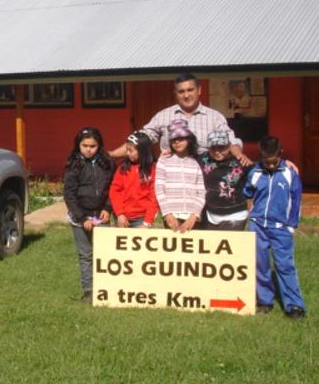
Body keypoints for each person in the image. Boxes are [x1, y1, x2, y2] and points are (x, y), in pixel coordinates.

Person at [111, 73, 251, 165]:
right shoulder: (163, 116)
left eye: (190, 90)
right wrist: (111, 154)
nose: (186, 95)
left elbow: (230, 140)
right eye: (181, 91)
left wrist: (239, 156)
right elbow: (139, 140)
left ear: (199, 90)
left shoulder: (214, 117)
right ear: (175, 94)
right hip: (171, 176)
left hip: (205, 176)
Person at [243, 135, 307, 320]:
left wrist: (291, 226)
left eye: (273, 162)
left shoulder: (289, 173)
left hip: (281, 228)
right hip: (258, 226)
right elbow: (248, 192)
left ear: (281, 154)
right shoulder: (255, 172)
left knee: (285, 266)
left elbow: (296, 200)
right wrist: (251, 212)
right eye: (266, 162)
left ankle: (294, 305)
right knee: (260, 265)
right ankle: (265, 300)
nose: (270, 166)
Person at [63, 126, 114, 303]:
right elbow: (69, 194)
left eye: (92, 146)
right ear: (78, 145)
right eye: (84, 145)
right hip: (80, 218)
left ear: (99, 145)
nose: (88, 149)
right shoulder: (74, 165)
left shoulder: (107, 163)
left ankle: (107, 289)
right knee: (86, 256)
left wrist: (108, 208)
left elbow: (112, 189)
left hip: (102, 215)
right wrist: (82, 217)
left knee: (105, 254)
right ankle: (89, 291)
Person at [154, 119, 206, 233]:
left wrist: (194, 215)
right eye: (173, 140)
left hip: (192, 218)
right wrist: (168, 214)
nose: (177, 142)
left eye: (181, 138)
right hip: (171, 217)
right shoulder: (163, 161)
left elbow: (201, 192)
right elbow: (159, 189)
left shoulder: (195, 163)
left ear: (189, 139)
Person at [197, 130, 250, 230]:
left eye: (221, 148)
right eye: (213, 148)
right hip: (211, 214)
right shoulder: (203, 159)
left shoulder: (240, 161)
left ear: (229, 146)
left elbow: (260, 171)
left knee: (230, 244)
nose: (217, 152)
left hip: (235, 215)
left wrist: (284, 162)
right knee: (212, 245)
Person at [109, 131, 159, 228]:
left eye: (130, 150)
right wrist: (120, 213)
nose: (127, 153)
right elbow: (114, 191)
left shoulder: (153, 170)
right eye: (127, 150)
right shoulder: (123, 168)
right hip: (122, 218)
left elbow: (154, 198)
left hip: (141, 219)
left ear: (142, 151)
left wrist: (147, 222)